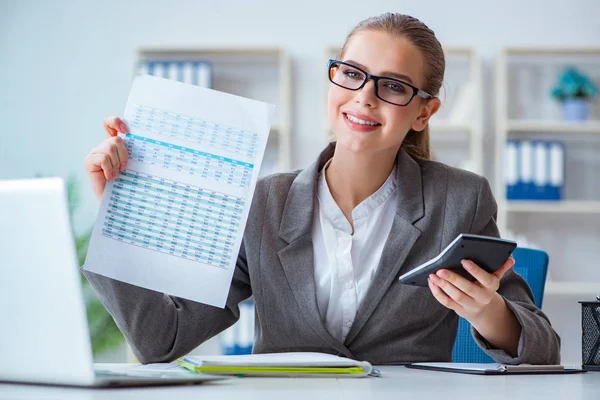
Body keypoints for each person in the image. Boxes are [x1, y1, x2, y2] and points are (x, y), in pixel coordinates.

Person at [83, 13, 560, 365]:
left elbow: (543, 348)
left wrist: (488, 312)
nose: (364, 97)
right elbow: (161, 339)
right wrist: (115, 214)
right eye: (352, 74)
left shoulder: (460, 199)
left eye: (392, 86)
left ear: (423, 112)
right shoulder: (265, 204)